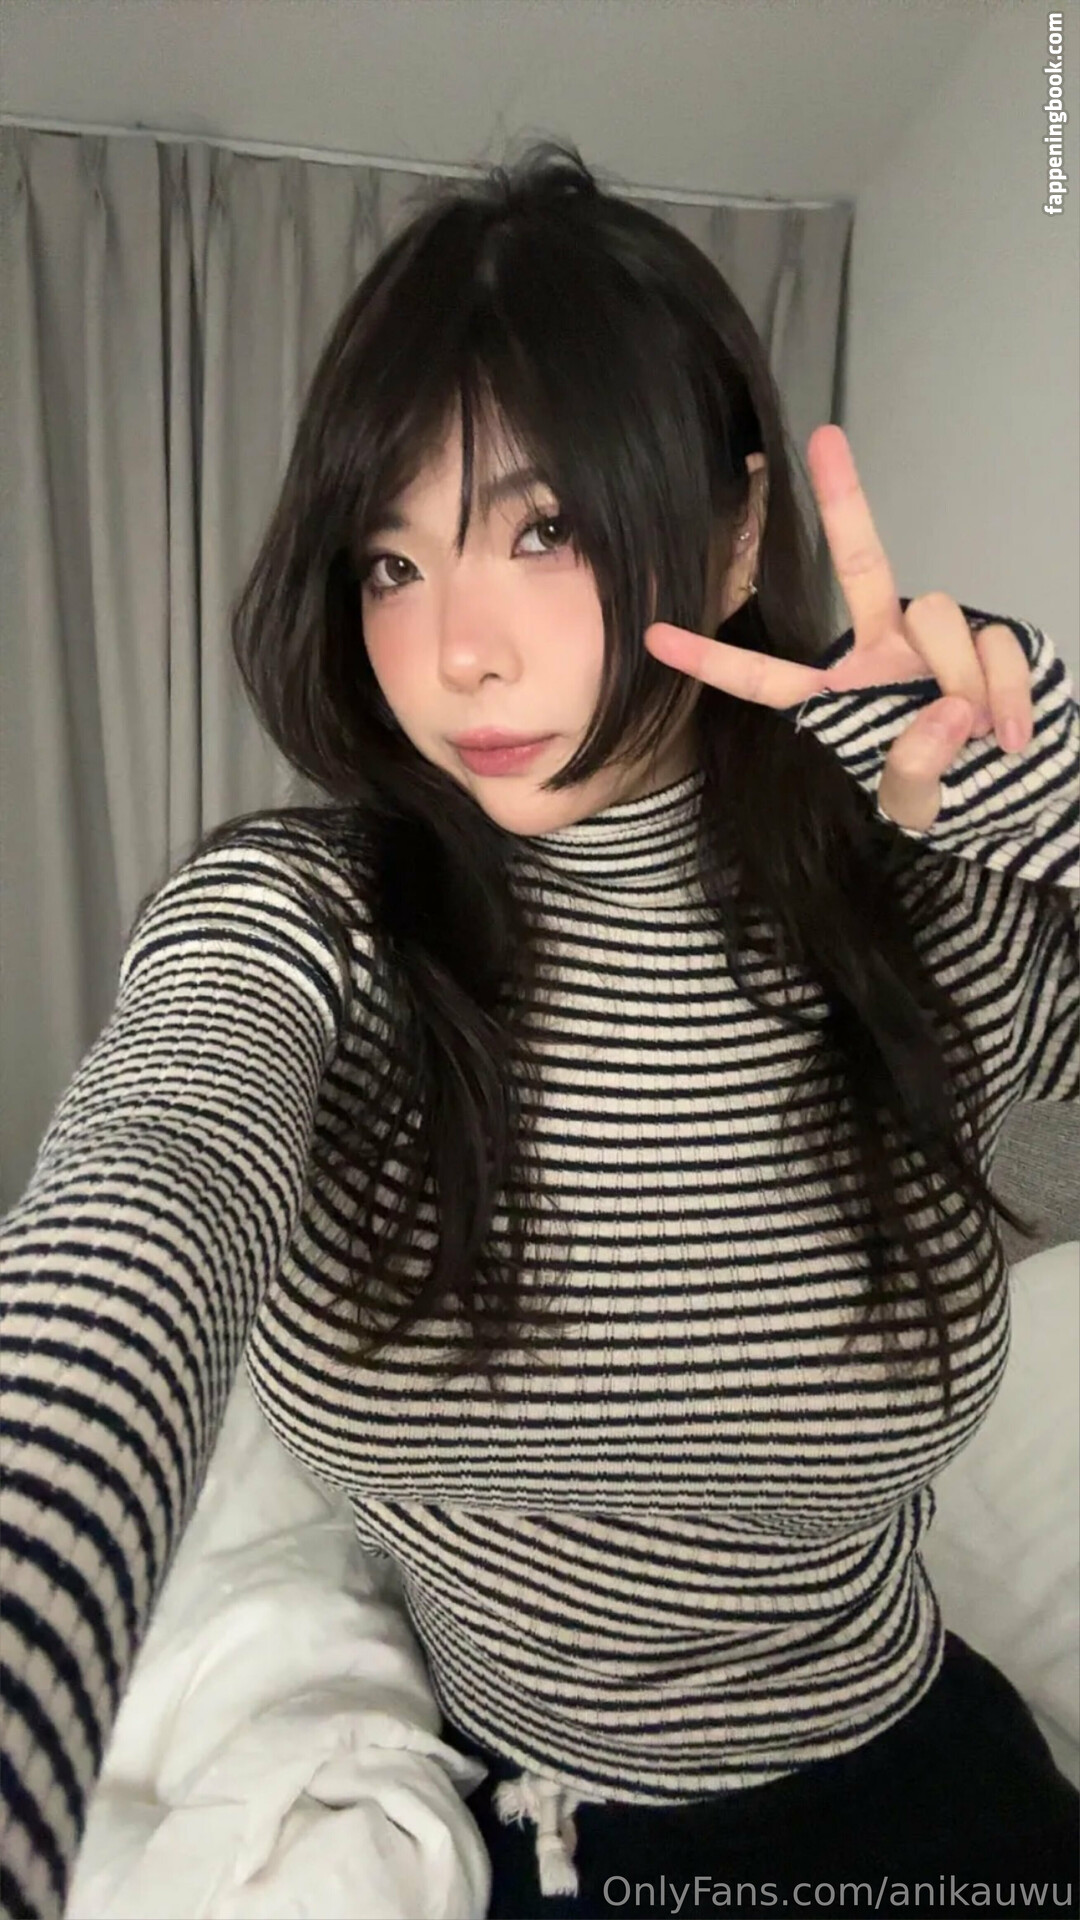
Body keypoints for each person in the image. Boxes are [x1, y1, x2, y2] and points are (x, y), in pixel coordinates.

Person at [2, 138, 1077, 1920]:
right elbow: (154, 1168)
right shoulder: (308, 917)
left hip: (918, 1808)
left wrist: (1047, 797)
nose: (456, 655)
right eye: (391, 562)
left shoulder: (923, 916)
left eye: (543, 530)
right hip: (520, 1828)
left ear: (735, 533)